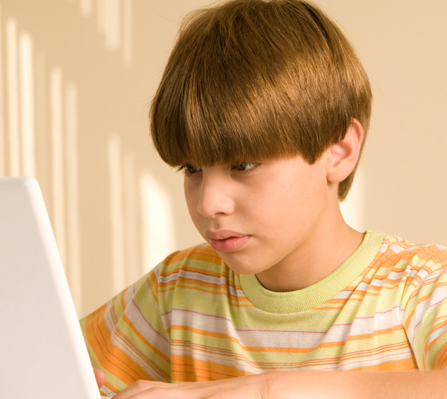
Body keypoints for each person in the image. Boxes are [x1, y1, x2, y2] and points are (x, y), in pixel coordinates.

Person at [81, 0, 447, 397]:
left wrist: (263, 391)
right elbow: (41, 362)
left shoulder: (421, 286)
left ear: (338, 151)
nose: (209, 203)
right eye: (192, 169)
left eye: (244, 164)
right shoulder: (180, 287)